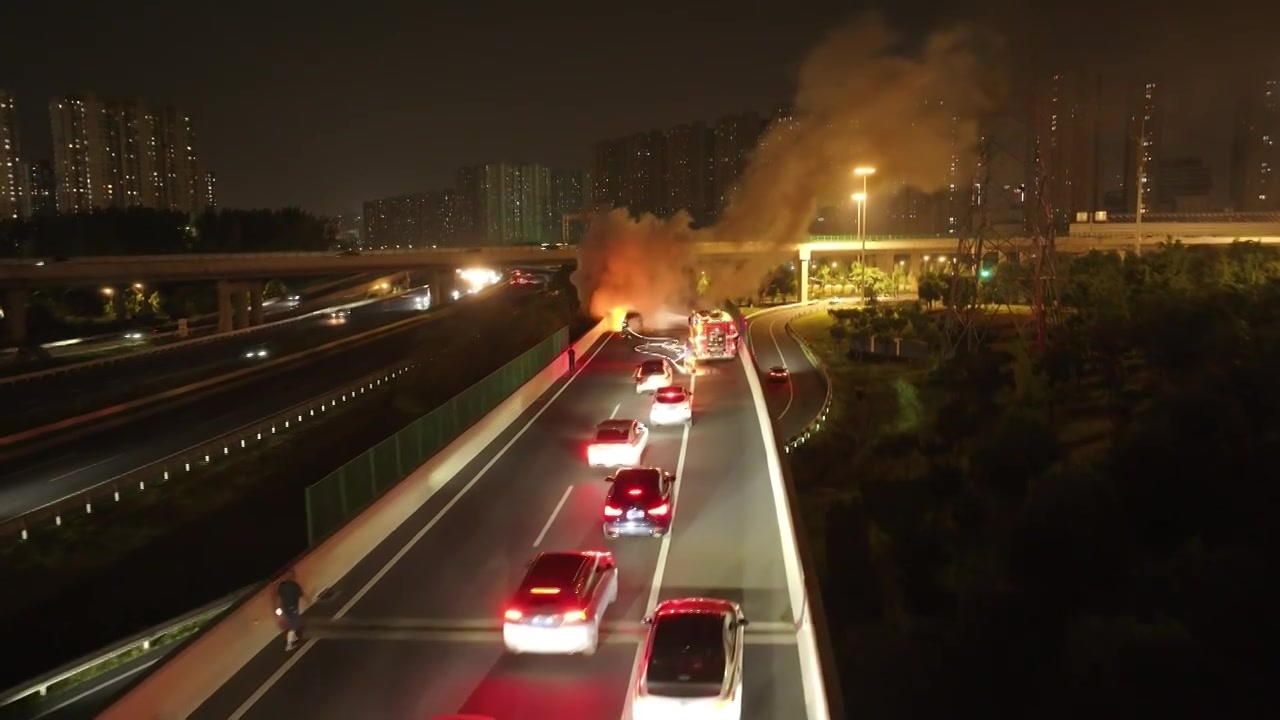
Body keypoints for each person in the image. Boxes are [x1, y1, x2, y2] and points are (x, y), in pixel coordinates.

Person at [276, 573, 306, 651]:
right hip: (293, 607)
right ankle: (289, 645)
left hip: (285, 608)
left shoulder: (282, 586)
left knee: (291, 622)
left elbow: (279, 598)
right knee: (295, 624)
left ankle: (294, 638)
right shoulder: (294, 585)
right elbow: (301, 594)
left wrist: (279, 609)